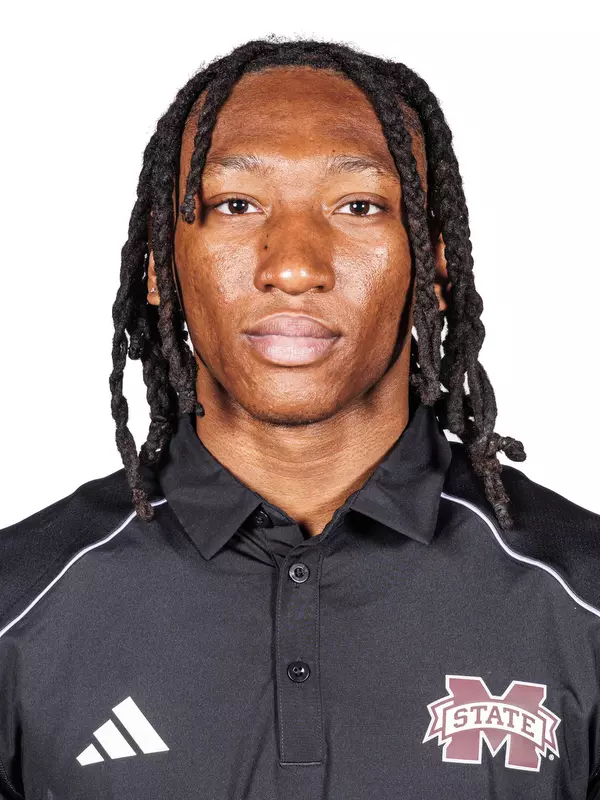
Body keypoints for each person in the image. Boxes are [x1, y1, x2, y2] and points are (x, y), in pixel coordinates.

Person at [0, 37, 598, 800]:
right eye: (236, 205)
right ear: (159, 264)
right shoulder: (20, 606)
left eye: (358, 205)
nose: (293, 266)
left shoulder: (581, 600)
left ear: (436, 264)